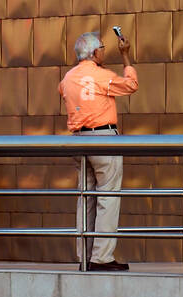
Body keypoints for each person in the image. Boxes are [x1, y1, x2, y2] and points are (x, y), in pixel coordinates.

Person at [59, 29, 138, 272]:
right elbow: (131, 85)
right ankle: (101, 257)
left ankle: (84, 255)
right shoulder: (102, 76)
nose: (104, 51)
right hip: (103, 138)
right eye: (103, 48)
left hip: (78, 140)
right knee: (108, 196)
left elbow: (63, 92)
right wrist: (126, 57)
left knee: (86, 197)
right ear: (94, 53)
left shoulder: (67, 79)